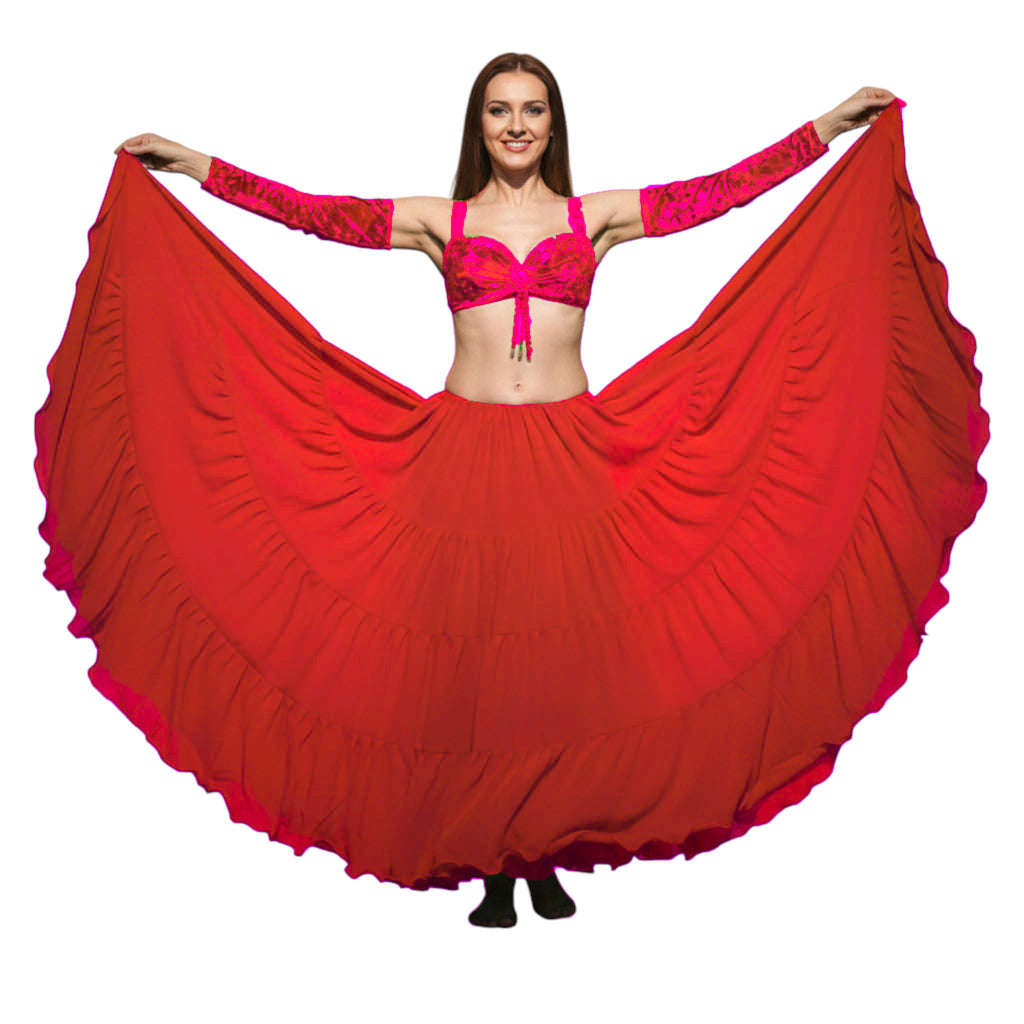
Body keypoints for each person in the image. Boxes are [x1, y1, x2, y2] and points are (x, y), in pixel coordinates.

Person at [42, 53, 980, 930]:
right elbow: (311, 213)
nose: (517, 125)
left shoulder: (595, 217)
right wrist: (192, 164)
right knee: (474, 662)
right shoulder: (441, 222)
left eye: (532, 110)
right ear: (479, 124)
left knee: (565, 663)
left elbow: (722, 191)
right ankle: (491, 859)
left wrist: (830, 127)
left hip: (572, 454)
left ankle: (545, 850)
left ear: (554, 123)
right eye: (500, 111)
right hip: (466, 455)